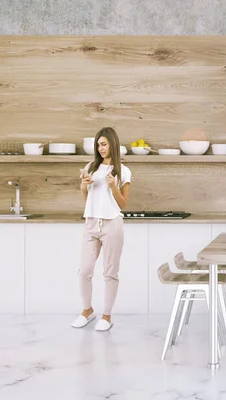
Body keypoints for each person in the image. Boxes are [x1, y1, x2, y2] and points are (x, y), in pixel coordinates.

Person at [71, 127, 131, 331]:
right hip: (91, 223)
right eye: (98, 144)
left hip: (112, 224)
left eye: (104, 144)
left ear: (112, 144)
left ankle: (107, 316)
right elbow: (89, 200)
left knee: (110, 273)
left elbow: (123, 205)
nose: (100, 148)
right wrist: (82, 187)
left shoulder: (123, 171)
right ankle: (87, 311)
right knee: (84, 271)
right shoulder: (91, 166)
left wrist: (113, 186)